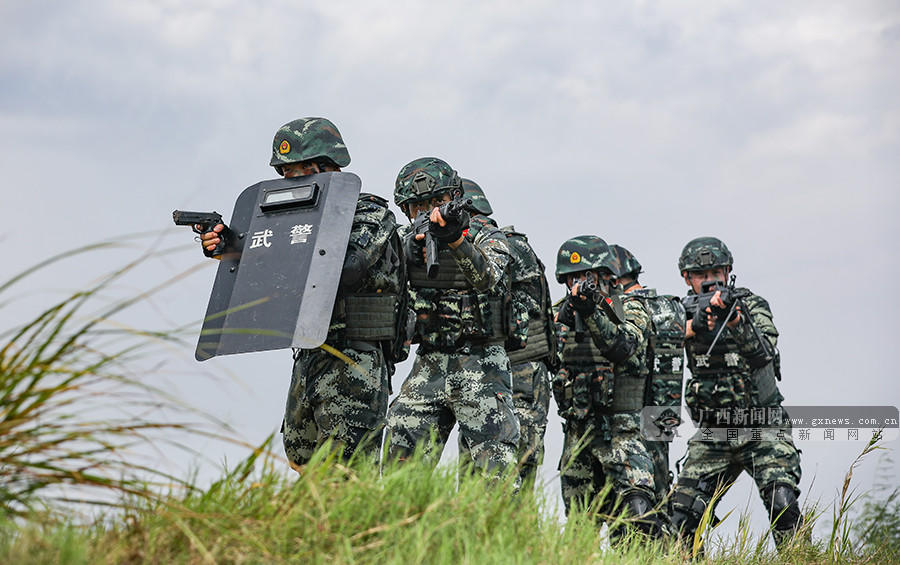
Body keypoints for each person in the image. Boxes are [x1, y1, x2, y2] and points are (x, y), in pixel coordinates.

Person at [198, 117, 406, 469]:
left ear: (327, 167)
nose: (290, 182)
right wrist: (230, 247)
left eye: (299, 172)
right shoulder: (288, 221)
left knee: (348, 470)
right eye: (286, 174)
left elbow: (349, 267)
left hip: (354, 355)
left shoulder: (368, 212)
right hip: (308, 352)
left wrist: (273, 247)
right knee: (302, 460)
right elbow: (272, 267)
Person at [385, 158, 520, 476]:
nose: (427, 212)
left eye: (436, 202)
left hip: (481, 362)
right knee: (399, 464)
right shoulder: (402, 239)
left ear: (454, 199)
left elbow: (488, 277)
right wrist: (404, 256)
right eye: (417, 206)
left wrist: (455, 240)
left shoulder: (487, 235)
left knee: (495, 471)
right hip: (429, 361)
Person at [670, 237, 804, 551]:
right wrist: (694, 326)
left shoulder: (752, 305)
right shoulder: (678, 311)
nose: (710, 280)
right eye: (701, 274)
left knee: (781, 502)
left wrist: (734, 321)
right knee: (680, 519)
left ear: (728, 271)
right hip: (713, 432)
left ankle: (801, 558)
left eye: (717, 271)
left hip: (762, 426)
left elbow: (763, 354)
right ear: (687, 278)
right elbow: (650, 342)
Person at [553, 235, 665, 539]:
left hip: (622, 431)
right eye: (572, 278)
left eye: (585, 276)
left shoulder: (631, 306)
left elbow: (622, 346)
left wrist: (591, 313)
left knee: (640, 516)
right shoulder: (561, 313)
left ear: (605, 276)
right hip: (578, 435)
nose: (578, 284)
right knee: (579, 530)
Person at [455, 179, 557, 489]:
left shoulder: (506, 244)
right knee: (480, 464)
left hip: (520, 367)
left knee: (513, 464)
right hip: (494, 368)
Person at [609, 244, 686, 508]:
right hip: (661, 415)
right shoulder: (668, 307)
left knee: (628, 501)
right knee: (659, 495)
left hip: (627, 416)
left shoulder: (626, 308)